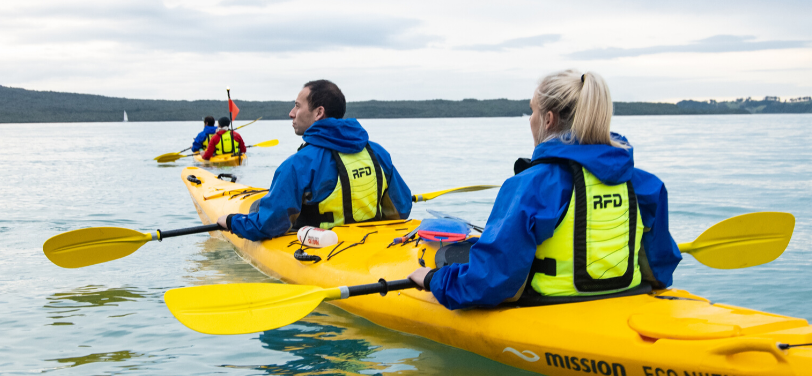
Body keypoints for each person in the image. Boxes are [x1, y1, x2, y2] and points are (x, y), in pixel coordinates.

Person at [407, 70, 681, 310]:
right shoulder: (645, 184)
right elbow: (660, 271)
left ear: (548, 119)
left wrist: (433, 279)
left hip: (552, 307)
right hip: (625, 302)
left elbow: (489, 284)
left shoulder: (532, 185)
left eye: (533, 111)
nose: (530, 119)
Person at [217, 80, 413, 240]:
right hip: (371, 243)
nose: (291, 113)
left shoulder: (298, 164)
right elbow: (401, 209)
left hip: (323, 250)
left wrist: (231, 222)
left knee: (257, 208)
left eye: (297, 106)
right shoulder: (377, 153)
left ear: (319, 112)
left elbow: (269, 226)